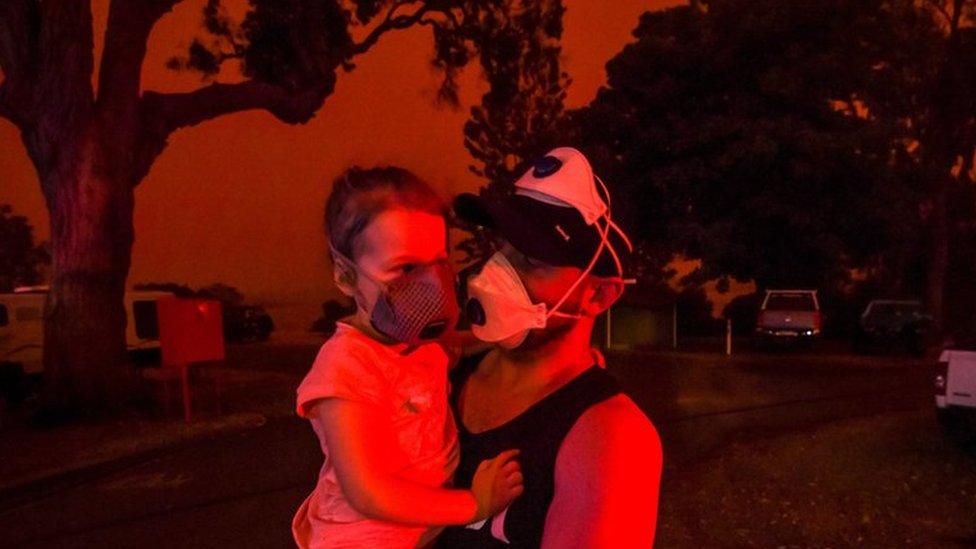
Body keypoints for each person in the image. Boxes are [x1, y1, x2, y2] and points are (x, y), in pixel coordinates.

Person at [437, 148, 663, 548]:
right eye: (504, 247)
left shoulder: (611, 441)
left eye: (532, 259)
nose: (497, 270)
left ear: (598, 296)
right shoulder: (436, 378)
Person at [293, 167, 523, 548]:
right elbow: (369, 492)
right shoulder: (346, 366)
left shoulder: (420, 342)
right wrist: (474, 504)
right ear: (346, 276)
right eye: (406, 268)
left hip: (416, 532)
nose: (431, 283)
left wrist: (517, 340)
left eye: (438, 261)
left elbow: (457, 346)